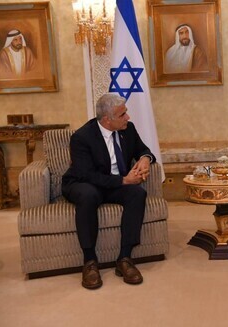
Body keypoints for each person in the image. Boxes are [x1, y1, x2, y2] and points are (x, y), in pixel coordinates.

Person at [62, 93, 156, 290]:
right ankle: (89, 261)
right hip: (84, 183)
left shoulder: (127, 129)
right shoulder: (82, 137)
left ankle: (125, 259)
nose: (128, 118)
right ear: (107, 119)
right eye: (123, 114)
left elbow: (144, 149)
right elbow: (87, 174)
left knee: (137, 194)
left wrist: (146, 158)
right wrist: (124, 179)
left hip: (114, 184)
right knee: (89, 196)